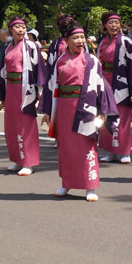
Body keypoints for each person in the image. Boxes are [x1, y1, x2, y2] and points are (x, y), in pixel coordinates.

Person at [39, 19, 119, 202]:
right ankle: (66, 183)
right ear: (66, 40)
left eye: (82, 37)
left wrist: (101, 110)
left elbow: (102, 86)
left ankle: (89, 186)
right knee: (66, 148)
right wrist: (47, 111)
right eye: (76, 38)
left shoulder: (92, 61)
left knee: (86, 146)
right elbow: (52, 86)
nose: (80, 41)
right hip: (64, 107)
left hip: (85, 107)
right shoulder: (60, 60)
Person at [0, 15, 47, 176]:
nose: (21, 30)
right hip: (11, 88)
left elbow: (39, 69)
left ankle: (28, 161)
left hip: (25, 89)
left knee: (26, 124)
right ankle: (18, 158)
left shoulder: (31, 46)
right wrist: (1, 95)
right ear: (10, 29)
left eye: (23, 27)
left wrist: (40, 91)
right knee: (12, 125)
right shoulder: (8, 47)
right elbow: (3, 71)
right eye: (17, 27)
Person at [97, 12, 132, 164]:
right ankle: (110, 151)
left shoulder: (126, 42)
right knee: (106, 117)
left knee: (122, 117)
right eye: (110, 23)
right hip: (105, 81)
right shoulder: (102, 42)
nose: (114, 26)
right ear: (104, 25)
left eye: (116, 23)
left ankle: (124, 151)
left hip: (122, 82)